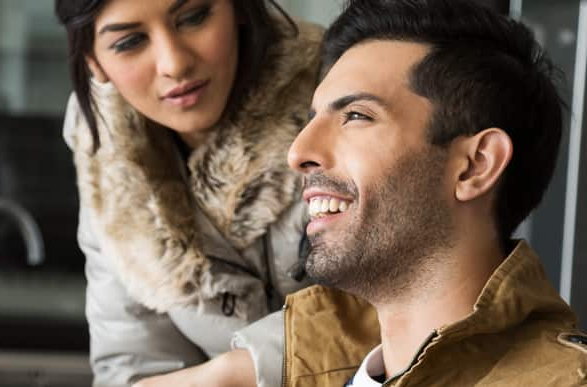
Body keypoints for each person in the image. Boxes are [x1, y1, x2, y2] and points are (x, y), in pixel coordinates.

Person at [279, 0, 587, 386]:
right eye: (313, 119)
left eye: (356, 115)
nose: (298, 153)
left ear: (476, 164)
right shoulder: (315, 366)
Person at [54, 1, 323, 386]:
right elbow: (131, 369)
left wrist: (233, 374)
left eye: (194, 17)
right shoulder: (110, 164)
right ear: (93, 62)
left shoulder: (344, 104)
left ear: (238, 9)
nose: (174, 63)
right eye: (130, 41)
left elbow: (404, 305)